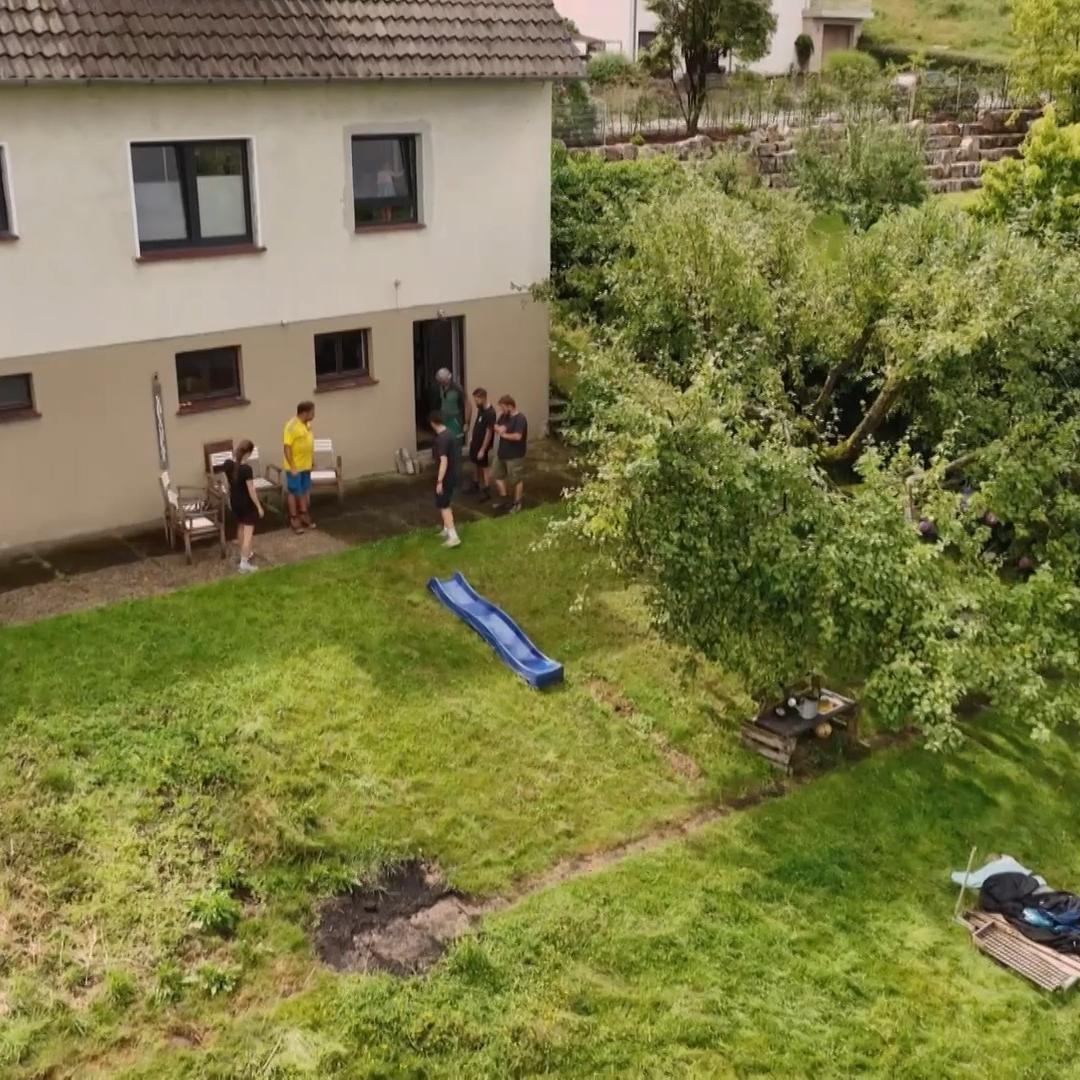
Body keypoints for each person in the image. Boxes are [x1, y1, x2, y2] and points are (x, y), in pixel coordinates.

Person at [225, 439, 265, 574]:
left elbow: (229, 485)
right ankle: (244, 563)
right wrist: (259, 506)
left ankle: (245, 553)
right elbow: (251, 490)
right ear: (248, 453)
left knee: (240, 527)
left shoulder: (228, 464)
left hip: (235, 502)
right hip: (247, 504)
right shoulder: (246, 469)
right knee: (248, 534)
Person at [283, 400, 316, 533]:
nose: (314, 414)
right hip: (294, 467)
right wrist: (292, 466)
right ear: (305, 412)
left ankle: (303, 514)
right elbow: (287, 448)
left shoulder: (307, 424)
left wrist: (312, 460)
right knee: (293, 491)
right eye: (312, 412)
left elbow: (308, 442)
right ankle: (294, 518)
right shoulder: (291, 426)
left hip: (306, 465)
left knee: (303, 490)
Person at [429, 410, 461, 548]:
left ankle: (453, 537)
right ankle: (446, 529)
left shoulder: (441, 439)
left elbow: (444, 461)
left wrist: (439, 481)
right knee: (445, 501)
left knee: (444, 505)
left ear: (432, 423)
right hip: (454, 473)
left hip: (446, 476)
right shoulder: (450, 434)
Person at [492, 394, 527, 513]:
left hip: (515, 455)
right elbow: (496, 425)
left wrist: (503, 434)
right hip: (501, 453)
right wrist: (499, 428)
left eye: (502, 407)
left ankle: (517, 503)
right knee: (496, 475)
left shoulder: (520, 419)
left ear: (510, 406)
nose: (501, 410)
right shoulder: (504, 416)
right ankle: (504, 499)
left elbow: (518, 436)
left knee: (516, 480)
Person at [468, 387, 496, 498]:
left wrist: (483, 449)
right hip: (476, 442)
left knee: (484, 466)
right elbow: (477, 424)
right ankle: (475, 484)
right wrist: (472, 438)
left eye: (477, 400)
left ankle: (487, 490)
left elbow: (489, 432)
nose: (475, 402)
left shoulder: (490, 413)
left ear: (483, 398)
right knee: (475, 463)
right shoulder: (481, 409)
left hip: (483, 445)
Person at [435, 367, 471, 443]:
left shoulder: (457, 388)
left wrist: (466, 423)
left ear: (449, 378)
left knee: (455, 443)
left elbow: (468, 405)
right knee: (444, 442)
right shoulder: (441, 387)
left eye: (443, 381)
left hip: (455, 420)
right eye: (440, 381)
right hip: (444, 419)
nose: (442, 383)